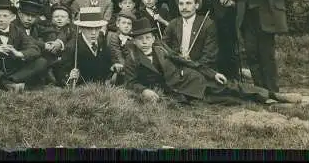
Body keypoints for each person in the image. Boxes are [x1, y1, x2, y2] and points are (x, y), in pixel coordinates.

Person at [124, 17, 294, 105]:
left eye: (148, 38)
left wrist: (213, 74)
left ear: (154, 38)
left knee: (229, 86)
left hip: (190, 78)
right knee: (226, 100)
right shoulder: (132, 58)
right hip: (177, 92)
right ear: (134, 41)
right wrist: (144, 90)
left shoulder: (161, 49)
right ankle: (266, 102)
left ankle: (274, 95)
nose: (145, 42)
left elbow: (188, 62)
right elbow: (130, 82)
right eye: (140, 39)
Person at [164, 0, 218, 70]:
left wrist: (192, 65)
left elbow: (209, 56)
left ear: (196, 5)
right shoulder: (173, 24)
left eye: (188, 3)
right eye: (181, 4)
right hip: (175, 68)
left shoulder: (207, 24)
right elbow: (164, 47)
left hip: (199, 70)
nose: (184, 7)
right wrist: (177, 58)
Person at [58, 7, 112, 86]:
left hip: (101, 87)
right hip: (82, 88)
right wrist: (70, 76)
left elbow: (107, 62)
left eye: (97, 28)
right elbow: (61, 75)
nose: (93, 33)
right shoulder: (72, 46)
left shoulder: (101, 39)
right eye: (89, 29)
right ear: (81, 28)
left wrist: (112, 67)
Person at [33, 4, 75, 85]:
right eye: (56, 17)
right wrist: (47, 45)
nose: (59, 19)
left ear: (69, 20)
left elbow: (71, 41)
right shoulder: (45, 29)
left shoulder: (71, 30)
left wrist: (59, 43)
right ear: (51, 19)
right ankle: (48, 76)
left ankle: (63, 78)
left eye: (63, 17)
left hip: (64, 60)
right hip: (48, 57)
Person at [108, 11, 137, 85]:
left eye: (129, 24)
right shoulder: (114, 37)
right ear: (118, 24)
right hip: (119, 69)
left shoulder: (133, 38)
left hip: (132, 68)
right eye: (123, 23)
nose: (126, 26)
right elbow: (118, 56)